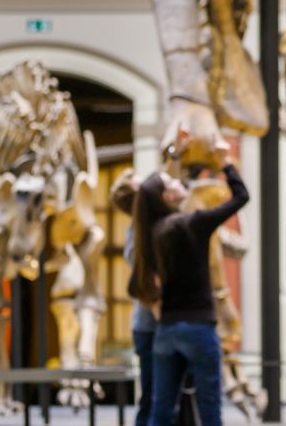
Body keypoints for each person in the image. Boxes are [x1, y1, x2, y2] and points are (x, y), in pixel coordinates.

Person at [130, 139, 249, 426]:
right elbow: (241, 196)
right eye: (172, 182)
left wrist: (175, 155)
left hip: (167, 332)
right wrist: (224, 163)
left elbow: (137, 286)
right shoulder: (192, 224)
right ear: (168, 197)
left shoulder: (151, 235)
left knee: (161, 411)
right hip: (198, 328)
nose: (179, 183)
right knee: (210, 411)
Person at [110, 171, 158, 426]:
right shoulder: (136, 234)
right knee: (152, 395)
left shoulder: (150, 227)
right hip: (150, 326)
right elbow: (142, 280)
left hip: (160, 324)